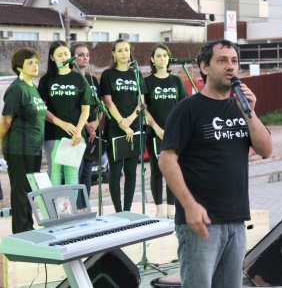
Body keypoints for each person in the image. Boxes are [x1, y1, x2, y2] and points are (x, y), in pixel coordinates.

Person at [159, 39, 273, 288]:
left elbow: (266, 150)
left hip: (236, 219)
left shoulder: (241, 108)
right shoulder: (188, 110)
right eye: (222, 60)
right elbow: (166, 161)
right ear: (205, 67)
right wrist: (190, 207)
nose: (230, 66)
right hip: (202, 223)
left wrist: (250, 113)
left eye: (234, 61)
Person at [0, 47, 47, 233]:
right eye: (30, 62)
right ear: (19, 67)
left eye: (36, 61)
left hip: (34, 149)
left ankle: (28, 226)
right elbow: (5, 121)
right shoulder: (16, 89)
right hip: (18, 148)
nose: (35, 65)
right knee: (20, 191)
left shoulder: (32, 88)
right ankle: (21, 231)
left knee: (30, 190)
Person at [38, 40, 94, 191]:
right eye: (59, 54)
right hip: (53, 133)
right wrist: (61, 123)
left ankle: (70, 213)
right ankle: (56, 213)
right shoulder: (46, 80)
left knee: (71, 174)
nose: (63, 57)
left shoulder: (80, 79)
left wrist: (78, 131)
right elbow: (41, 108)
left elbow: (85, 110)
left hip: (75, 135)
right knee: (55, 173)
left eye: (66, 54)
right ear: (52, 57)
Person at [100, 39, 147, 212]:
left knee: (131, 172)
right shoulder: (108, 75)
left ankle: (127, 210)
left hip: (134, 127)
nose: (124, 53)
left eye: (126, 50)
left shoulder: (136, 74)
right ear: (113, 53)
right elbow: (108, 102)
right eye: (120, 50)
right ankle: (118, 210)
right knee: (115, 171)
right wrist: (122, 122)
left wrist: (130, 120)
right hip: (115, 128)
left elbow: (141, 102)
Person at [144, 43, 188, 218]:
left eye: (165, 55)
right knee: (157, 171)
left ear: (169, 58)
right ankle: (159, 209)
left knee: (173, 170)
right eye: (158, 56)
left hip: (174, 133)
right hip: (155, 133)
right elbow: (143, 109)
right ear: (153, 60)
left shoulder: (176, 80)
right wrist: (156, 128)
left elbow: (184, 106)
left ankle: (171, 207)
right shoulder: (147, 82)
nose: (162, 59)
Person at [70, 43, 101, 211]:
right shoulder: (70, 79)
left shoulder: (93, 80)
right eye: (81, 54)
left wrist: (95, 123)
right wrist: (84, 125)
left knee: (88, 171)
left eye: (87, 55)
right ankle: (74, 207)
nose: (85, 58)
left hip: (92, 132)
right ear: (72, 57)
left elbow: (99, 105)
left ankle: (84, 206)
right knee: (77, 170)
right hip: (78, 130)